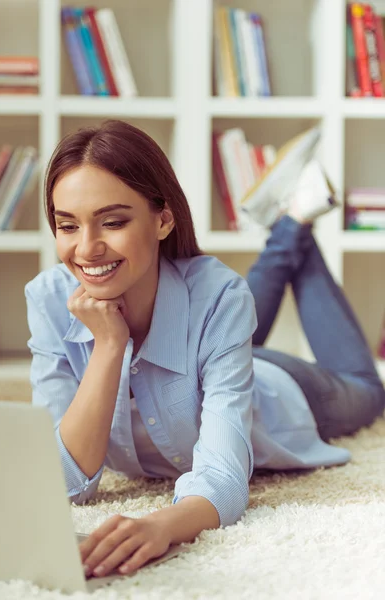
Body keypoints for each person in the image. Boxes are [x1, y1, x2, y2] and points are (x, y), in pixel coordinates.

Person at [25, 120, 385, 580]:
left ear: (163, 218)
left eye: (112, 221)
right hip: (216, 340)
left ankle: (295, 221)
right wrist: (109, 345)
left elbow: (223, 475)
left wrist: (163, 525)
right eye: (67, 225)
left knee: (368, 391)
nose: (87, 248)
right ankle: (291, 218)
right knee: (218, 302)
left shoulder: (220, 297)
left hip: (281, 394)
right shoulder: (48, 300)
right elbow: (59, 480)